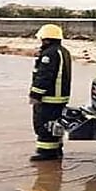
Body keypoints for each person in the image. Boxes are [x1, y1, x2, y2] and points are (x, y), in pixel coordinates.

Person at [28, 24, 72, 161]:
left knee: (44, 125)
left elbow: (44, 76)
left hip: (49, 97)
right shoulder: (63, 51)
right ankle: (57, 149)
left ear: (46, 39)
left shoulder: (49, 54)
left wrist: (35, 94)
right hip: (61, 97)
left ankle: (46, 152)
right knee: (56, 124)